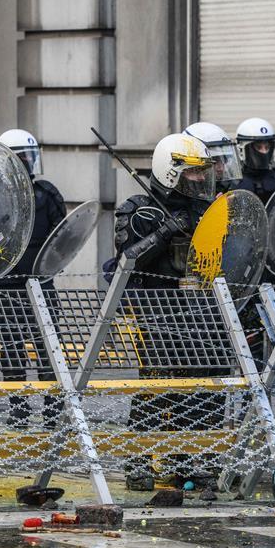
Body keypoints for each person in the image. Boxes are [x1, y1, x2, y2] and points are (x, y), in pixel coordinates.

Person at [111, 133, 224, 489]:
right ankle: (139, 460)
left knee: (206, 391)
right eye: (192, 173)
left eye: (201, 172)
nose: (199, 179)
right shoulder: (139, 210)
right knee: (157, 389)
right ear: (171, 172)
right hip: (159, 314)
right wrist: (163, 233)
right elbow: (126, 262)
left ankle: (192, 459)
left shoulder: (209, 211)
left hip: (203, 312)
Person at [0, 129, 65, 427]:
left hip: (40, 282)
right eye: (19, 157)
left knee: (50, 347)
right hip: (7, 284)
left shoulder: (46, 194)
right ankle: (18, 408)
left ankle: (54, 409)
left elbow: (62, 237)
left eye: (29, 157)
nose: (26, 163)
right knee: (11, 349)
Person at [232, 117, 275, 204]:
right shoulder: (233, 184)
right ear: (241, 150)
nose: (264, 152)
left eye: (267, 147)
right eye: (259, 147)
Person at [183, 122, 243, 194]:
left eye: (224, 160)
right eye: (214, 160)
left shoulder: (226, 189)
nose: (221, 168)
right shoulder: (179, 198)